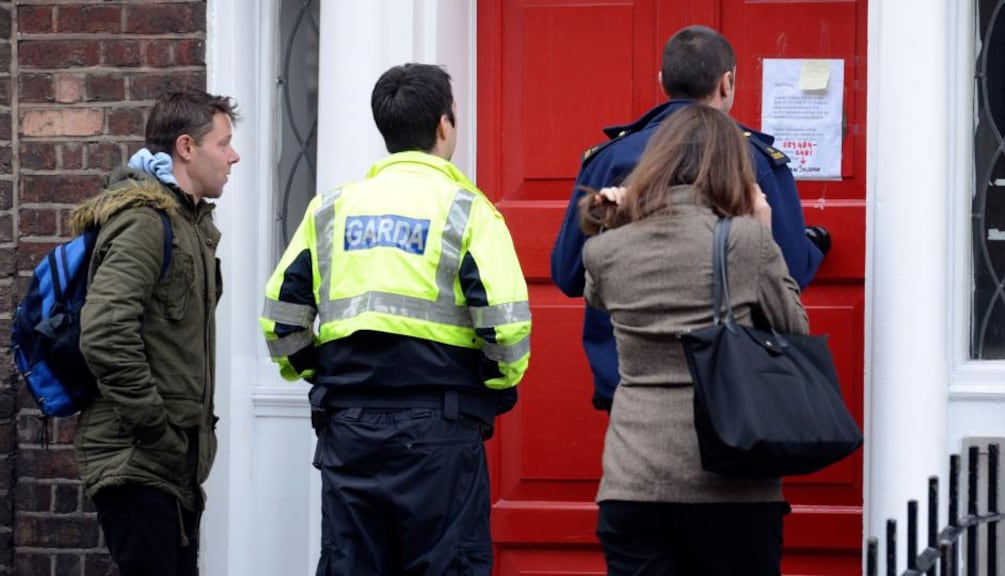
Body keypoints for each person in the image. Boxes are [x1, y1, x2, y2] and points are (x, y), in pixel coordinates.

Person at [260, 63, 532, 576]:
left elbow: (280, 318)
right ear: (444, 126)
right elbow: (506, 328)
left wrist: (317, 370)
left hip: (349, 427)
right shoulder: (467, 211)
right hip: (440, 430)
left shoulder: (331, 209)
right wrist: (495, 382)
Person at [550, 24, 830, 411]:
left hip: (633, 385)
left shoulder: (610, 160)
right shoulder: (756, 162)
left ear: (663, 81)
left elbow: (568, 274)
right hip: (738, 383)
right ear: (727, 83)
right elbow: (790, 275)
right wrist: (813, 244)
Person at [580, 104, 808, 575]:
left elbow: (598, 297)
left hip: (634, 479)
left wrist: (621, 220)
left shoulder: (604, 249)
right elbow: (793, 330)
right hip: (731, 477)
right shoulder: (745, 240)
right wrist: (765, 235)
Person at [72, 90, 241, 576]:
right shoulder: (146, 222)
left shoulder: (188, 222)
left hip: (168, 468)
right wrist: (158, 432)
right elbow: (105, 334)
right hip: (136, 461)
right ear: (187, 147)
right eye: (223, 143)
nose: (233, 156)